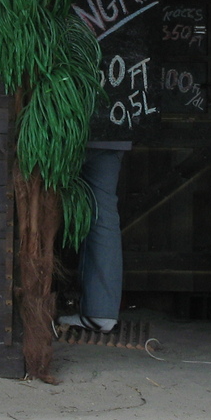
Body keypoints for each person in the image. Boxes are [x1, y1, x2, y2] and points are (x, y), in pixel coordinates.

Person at [57, 140, 129, 333]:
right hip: (117, 130)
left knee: (45, 201)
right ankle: (101, 313)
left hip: (71, 131)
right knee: (103, 214)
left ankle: (37, 308)